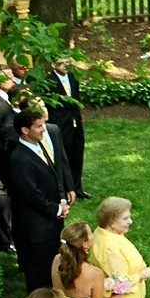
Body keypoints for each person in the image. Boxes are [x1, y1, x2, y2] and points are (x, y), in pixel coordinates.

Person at [4, 106, 71, 292]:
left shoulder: (39, 145)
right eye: (39, 126)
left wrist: (61, 200)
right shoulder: (19, 159)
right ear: (25, 130)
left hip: (50, 222)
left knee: (52, 266)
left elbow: (52, 174)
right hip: (35, 228)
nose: (44, 129)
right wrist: (56, 209)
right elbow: (31, 193)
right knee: (40, 274)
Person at [52, 220, 115, 298]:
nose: (93, 235)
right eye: (91, 233)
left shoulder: (57, 261)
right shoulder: (94, 273)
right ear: (85, 244)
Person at [41, 55, 89, 199]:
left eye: (67, 62)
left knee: (77, 153)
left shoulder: (73, 78)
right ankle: (65, 190)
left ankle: (77, 187)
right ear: (53, 65)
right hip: (60, 123)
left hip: (75, 122)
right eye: (61, 63)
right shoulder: (48, 81)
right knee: (63, 156)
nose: (65, 66)